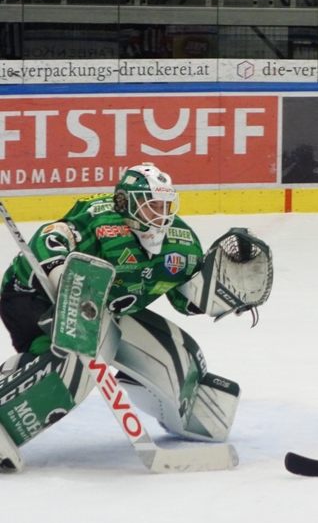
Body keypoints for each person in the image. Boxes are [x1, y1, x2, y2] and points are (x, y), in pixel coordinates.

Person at [0, 163, 272, 470]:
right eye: (151, 204)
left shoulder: (180, 243)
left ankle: (191, 413)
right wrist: (64, 276)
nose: (161, 213)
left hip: (105, 310)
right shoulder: (99, 220)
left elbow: (187, 299)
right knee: (75, 361)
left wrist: (222, 290)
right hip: (33, 296)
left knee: (177, 355)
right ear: (125, 203)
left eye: (165, 205)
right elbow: (50, 237)